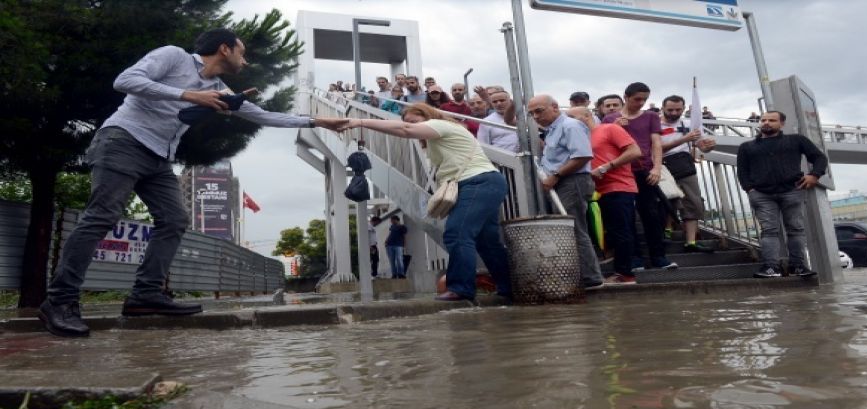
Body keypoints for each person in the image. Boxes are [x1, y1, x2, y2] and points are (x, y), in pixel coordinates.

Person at [37, 29, 346, 338]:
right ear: (224, 49)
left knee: (174, 220)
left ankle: (145, 295)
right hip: (123, 141)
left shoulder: (220, 89)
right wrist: (189, 95)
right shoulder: (174, 57)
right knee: (101, 216)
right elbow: (125, 81)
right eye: (242, 52)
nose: (246, 60)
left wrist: (316, 122)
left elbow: (263, 116)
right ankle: (60, 301)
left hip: (158, 157)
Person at [340, 103, 512, 301]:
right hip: (482, 183)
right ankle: (508, 287)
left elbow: (405, 131)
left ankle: (461, 288)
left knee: (457, 233)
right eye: (408, 122)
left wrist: (359, 121)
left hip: (477, 181)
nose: (411, 126)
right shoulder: (436, 137)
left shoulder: (441, 125)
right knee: (487, 242)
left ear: (427, 116)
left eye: (414, 121)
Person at [736, 110, 828, 278]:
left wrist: (814, 175)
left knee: (795, 229)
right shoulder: (746, 147)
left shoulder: (796, 140)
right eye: (763, 120)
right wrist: (750, 189)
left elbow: (819, 158)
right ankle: (770, 267)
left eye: (772, 120)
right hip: (761, 194)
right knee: (769, 230)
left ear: (782, 123)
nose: (766, 123)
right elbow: (742, 172)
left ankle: (798, 266)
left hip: (793, 190)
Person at [528, 94, 604, 289]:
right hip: (563, 181)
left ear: (554, 107)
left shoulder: (570, 125)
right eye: (532, 113)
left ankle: (590, 277)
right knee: (568, 229)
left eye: (539, 111)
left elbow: (582, 156)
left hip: (572, 180)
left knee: (574, 229)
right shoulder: (552, 130)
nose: (536, 116)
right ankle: (583, 275)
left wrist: (556, 175)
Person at [603, 82, 677, 271]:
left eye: (644, 99)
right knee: (626, 218)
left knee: (651, 214)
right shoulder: (610, 119)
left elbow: (656, 144)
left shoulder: (651, 116)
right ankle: (634, 259)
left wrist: (657, 168)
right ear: (626, 97)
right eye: (637, 99)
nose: (641, 103)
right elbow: (605, 144)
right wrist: (615, 127)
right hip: (621, 173)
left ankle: (659, 257)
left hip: (645, 169)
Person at [579, 107, 642, 284]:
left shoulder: (609, 128)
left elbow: (635, 151)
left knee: (622, 231)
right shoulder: (583, 138)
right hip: (600, 191)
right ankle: (621, 271)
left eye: (573, 118)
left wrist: (607, 166)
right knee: (614, 232)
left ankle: (625, 274)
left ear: (587, 116)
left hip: (620, 186)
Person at [660, 95, 716, 253]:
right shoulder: (655, 124)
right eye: (670, 109)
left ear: (683, 109)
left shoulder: (688, 124)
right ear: (663, 108)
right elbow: (654, 149)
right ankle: (667, 229)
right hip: (663, 164)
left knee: (693, 202)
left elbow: (701, 146)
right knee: (668, 200)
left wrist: (709, 146)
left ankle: (691, 241)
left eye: (678, 109)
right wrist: (683, 139)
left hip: (684, 164)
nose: (674, 112)